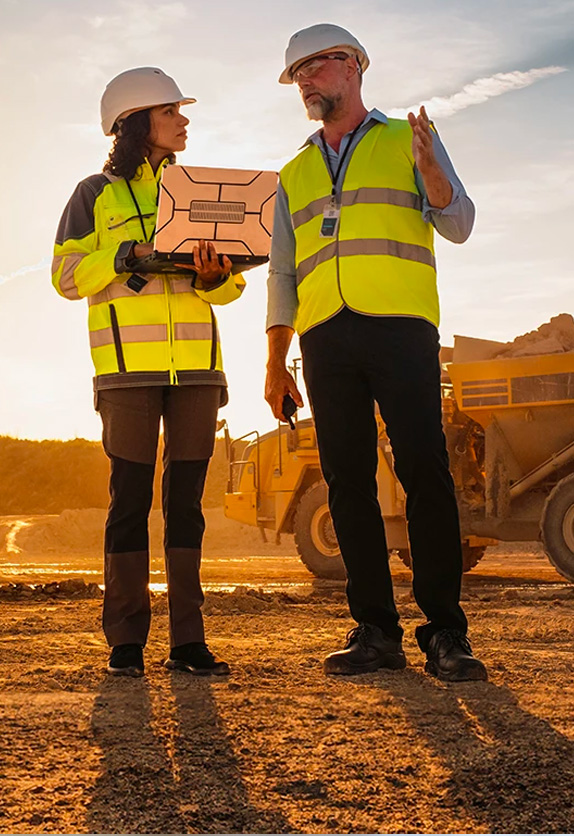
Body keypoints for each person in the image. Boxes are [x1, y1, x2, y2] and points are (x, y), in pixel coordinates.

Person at [264, 24, 487, 681]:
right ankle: (375, 632)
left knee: (424, 470)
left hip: (400, 325)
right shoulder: (293, 172)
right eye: (297, 72)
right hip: (325, 334)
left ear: (353, 67)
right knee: (346, 482)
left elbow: (460, 223)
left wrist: (432, 178)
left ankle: (446, 633)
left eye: (317, 67)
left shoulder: (405, 140)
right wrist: (277, 362)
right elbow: (281, 274)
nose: (306, 80)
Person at [52, 67, 247, 677]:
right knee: (129, 501)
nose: (184, 121)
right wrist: (119, 257)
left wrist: (216, 275)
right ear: (137, 121)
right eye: (172, 112)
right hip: (126, 374)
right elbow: (63, 277)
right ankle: (126, 642)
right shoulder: (93, 194)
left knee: (186, 506)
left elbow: (232, 284)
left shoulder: (198, 191)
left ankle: (189, 642)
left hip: (195, 371)